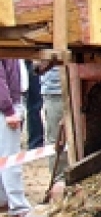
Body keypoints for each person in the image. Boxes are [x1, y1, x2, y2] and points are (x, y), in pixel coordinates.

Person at [0, 58, 30, 217]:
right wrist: (9, 110)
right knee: (11, 158)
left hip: (9, 103)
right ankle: (19, 207)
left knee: (3, 157)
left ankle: (3, 200)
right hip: (6, 106)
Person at [36, 60, 66, 194]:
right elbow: (37, 66)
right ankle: (59, 184)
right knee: (57, 140)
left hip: (63, 88)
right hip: (56, 92)